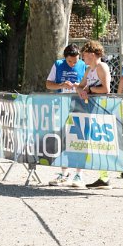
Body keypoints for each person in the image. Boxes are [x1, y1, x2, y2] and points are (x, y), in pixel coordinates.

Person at [75, 41, 123, 189]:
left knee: (109, 144)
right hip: (94, 110)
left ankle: (122, 170)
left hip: (104, 110)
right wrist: (81, 91)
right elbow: (80, 86)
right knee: (98, 145)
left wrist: (89, 90)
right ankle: (104, 177)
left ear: (92, 55)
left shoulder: (101, 67)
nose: (82, 58)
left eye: (84, 55)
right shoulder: (89, 70)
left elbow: (105, 89)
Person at [45, 44, 87, 187]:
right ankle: (64, 173)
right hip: (61, 106)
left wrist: (78, 86)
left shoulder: (83, 65)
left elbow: (88, 84)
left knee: (79, 139)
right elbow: (48, 84)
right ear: (65, 58)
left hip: (79, 106)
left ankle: (79, 174)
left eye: (75, 61)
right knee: (62, 138)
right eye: (70, 61)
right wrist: (61, 85)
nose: (73, 64)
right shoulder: (58, 65)